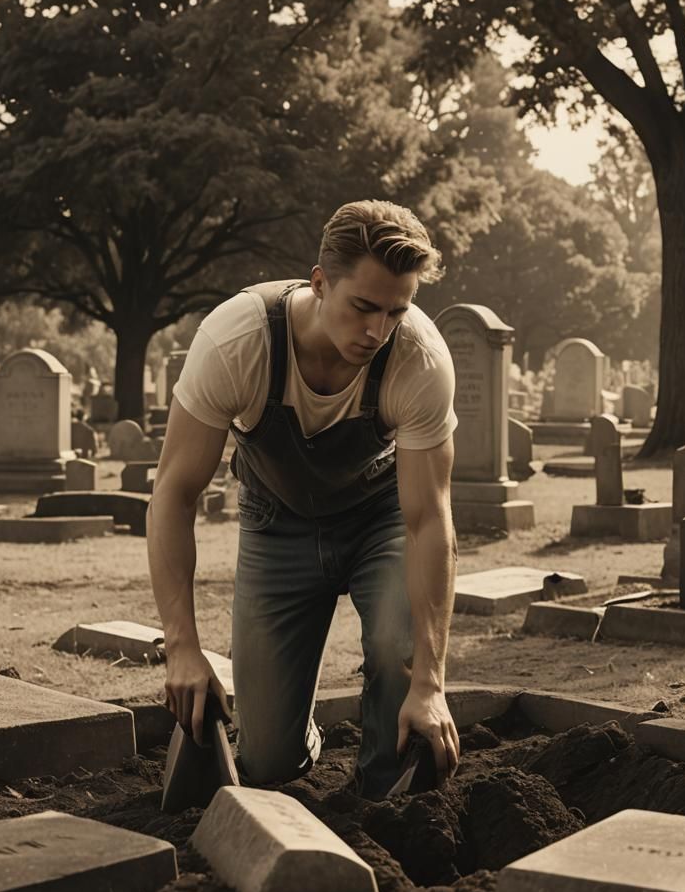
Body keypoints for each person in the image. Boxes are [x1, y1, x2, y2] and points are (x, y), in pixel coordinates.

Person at [148, 199, 461, 800]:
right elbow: (173, 494)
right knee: (267, 759)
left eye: (397, 311)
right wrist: (182, 647)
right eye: (363, 307)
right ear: (319, 283)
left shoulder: (420, 360)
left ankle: (382, 790)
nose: (378, 332)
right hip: (276, 524)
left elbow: (429, 522)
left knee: (398, 653)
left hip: (382, 522)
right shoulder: (237, 340)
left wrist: (430, 682)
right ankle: (297, 734)